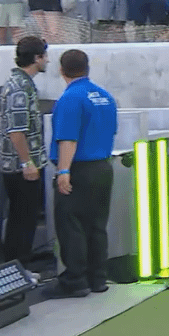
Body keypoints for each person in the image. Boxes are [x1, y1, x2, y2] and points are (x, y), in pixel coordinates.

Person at [44, 49, 118, 298]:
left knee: (72, 224)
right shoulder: (105, 96)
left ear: (61, 70)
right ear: (87, 67)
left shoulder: (70, 99)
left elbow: (68, 139)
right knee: (97, 225)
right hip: (102, 166)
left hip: (79, 167)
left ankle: (75, 280)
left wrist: (63, 171)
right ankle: (98, 278)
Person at [0, 36, 49, 265]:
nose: (47, 60)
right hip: (20, 166)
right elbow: (16, 130)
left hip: (22, 163)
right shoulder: (19, 87)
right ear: (36, 58)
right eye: (45, 56)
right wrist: (27, 163)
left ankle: (19, 263)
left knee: (24, 217)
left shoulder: (23, 84)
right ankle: (18, 265)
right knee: (22, 218)